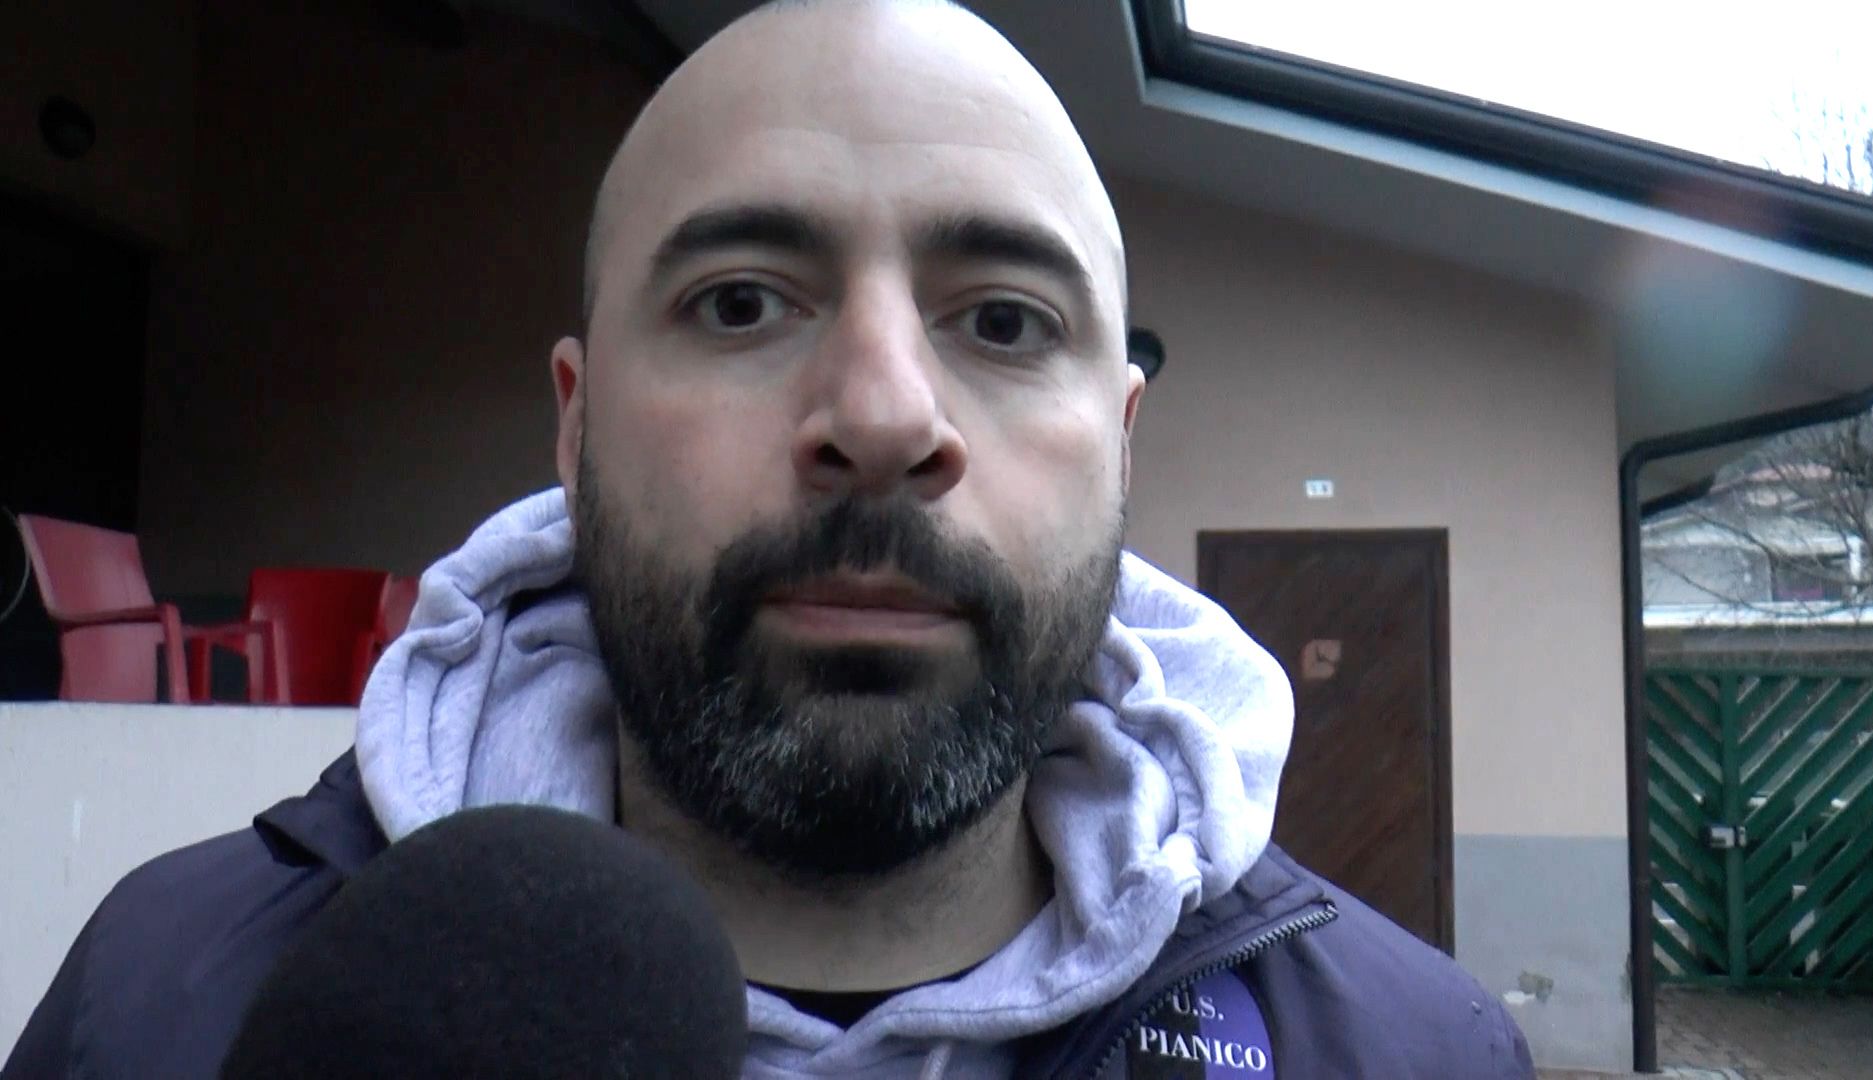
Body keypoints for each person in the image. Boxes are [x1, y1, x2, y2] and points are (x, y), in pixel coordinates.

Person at [4, 2, 1535, 1076]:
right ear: (576, 425)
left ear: (1120, 447)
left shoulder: (1418, 1058)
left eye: (1005, 322)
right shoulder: (158, 1014)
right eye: (741, 302)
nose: (881, 415)